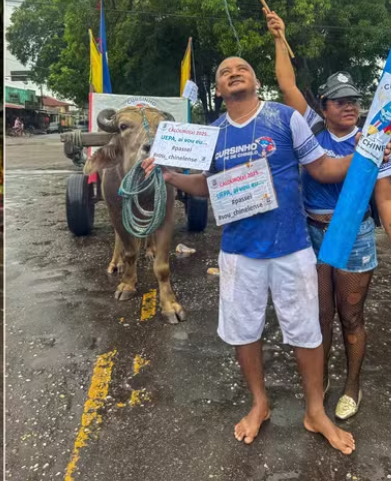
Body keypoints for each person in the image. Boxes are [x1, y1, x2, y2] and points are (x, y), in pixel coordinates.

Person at [141, 57, 360, 454]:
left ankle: (315, 411)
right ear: (220, 90)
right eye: (224, 72)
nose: (232, 72)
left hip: (291, 247)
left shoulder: (284, 119)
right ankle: (259, 404)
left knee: (307, 331)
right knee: (244, 330)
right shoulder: (211, 134)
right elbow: (206, 186)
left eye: (241, 67)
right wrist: (170, 176)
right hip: (239, 253)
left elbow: (324, 168)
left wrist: (363, 157)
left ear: (256, 80)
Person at [267, 10, 391, 420]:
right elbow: (286, 84)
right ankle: (318, 386)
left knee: (350, 315)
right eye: (340, 101)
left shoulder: (375, 144)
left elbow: (386, 200)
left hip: (354, 237)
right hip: (312, 237)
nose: (349, 107)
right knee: (319, 315)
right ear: (325, 105)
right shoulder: (311, 128)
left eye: (354, 100)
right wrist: (278, 36)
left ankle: (352, 384)